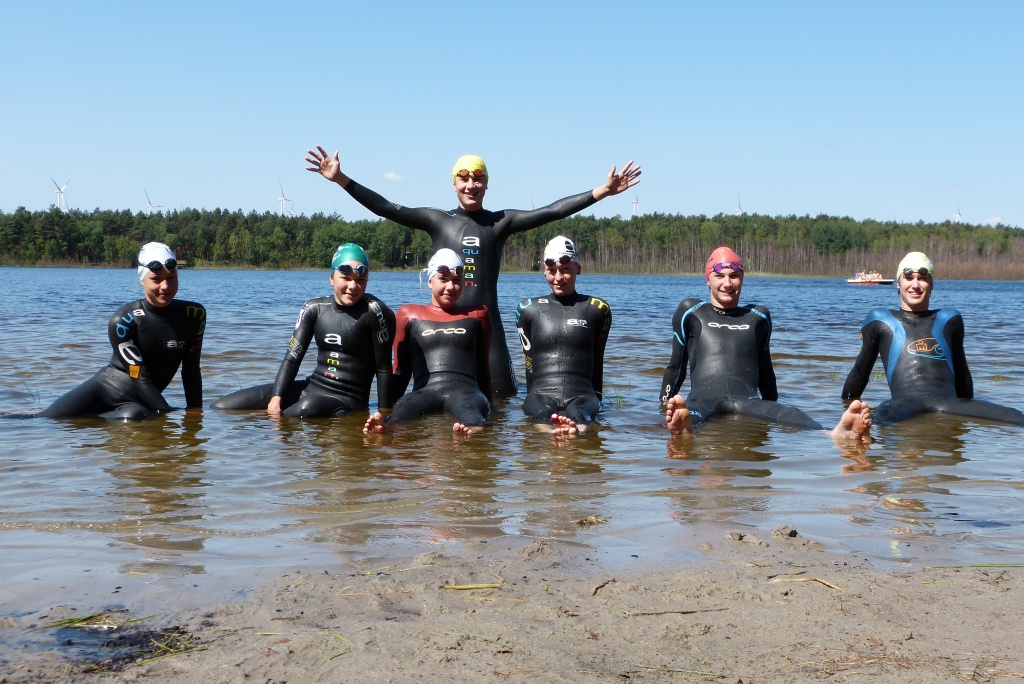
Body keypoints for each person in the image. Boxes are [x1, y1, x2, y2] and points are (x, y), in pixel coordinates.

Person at [306, 145, 640, 397]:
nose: (471, 185)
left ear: (486, 185)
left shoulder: (499, 223)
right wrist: (341, 180)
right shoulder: (437, 219)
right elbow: (387, 207)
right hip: (442, 322)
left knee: (502, 398)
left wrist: (601, 192)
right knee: (423, 395)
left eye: (478, 179)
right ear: (453, 183)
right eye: (464, 178)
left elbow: (550, 212)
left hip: (487, 325)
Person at [661, 246, 871, 440]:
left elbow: (765, 368)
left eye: (734, 276)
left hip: (748, 401)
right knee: (690, 414)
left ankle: (833, 433)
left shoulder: (757, 316)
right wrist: (665, 406)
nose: (727, 283)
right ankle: (685, 429)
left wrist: (772, 403)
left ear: (742, 278)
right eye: (719, 276)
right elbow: (675, 367)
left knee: (789, 413)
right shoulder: (691, 311)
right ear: (708, 279)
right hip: (702, 401)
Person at [211, 243, 396, 418]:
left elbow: (384, 370)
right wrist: (276, 398)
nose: (353, 286)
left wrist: (384, 417)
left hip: (348, 399)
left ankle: (269, 427)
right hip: (312, 388)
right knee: (223, 406)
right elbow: (292, 358)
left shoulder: (377, 313)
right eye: (345, 278)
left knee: (303, 409)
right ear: (332, 278)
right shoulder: (314, 308)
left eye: (360, 280)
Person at [841, 251, 1024, 425]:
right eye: (909, 278)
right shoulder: (879, 319)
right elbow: (859, 373)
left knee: (1017, 417)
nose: (915, 285)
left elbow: (963, 376)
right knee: (875, 423)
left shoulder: (949, 319)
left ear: (932, 284)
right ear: (898, 283)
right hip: (902, 405)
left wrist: (966, 413)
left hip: (949, 403)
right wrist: (847, 407)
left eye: (922, 278)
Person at [40, 242, 205, 420]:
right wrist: (164, 413)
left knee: (134, 415)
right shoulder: (124, 320)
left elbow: (191, 371)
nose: (165, 286)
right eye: (156, 280)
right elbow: (140, 377)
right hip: (103, 391)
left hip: (135, 405)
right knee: (42, 420)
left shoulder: (194, 315)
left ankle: (98, 421)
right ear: (142, 279)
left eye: (171, 278)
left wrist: (196, 413)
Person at [364, 249, 492, 435]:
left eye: (457, 281)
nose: (450, 287)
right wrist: (387, 409)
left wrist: (488, 404)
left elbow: (483, 367)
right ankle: (384, 430)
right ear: (430, 282)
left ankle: (471, 433)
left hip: (467, 394)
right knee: (400, 416)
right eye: (444, 279)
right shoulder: (409, 315)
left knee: (473, 418)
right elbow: (400, 369)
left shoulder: (478, 314)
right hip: (424, 394)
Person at [515, 235, 611, 435]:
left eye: (565, 270)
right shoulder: (527, 309)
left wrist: (597, 398)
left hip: (582, 395)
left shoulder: (597, 309)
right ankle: (556, 434)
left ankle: (573, 431)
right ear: (544, 271)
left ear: (578, 269)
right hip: (541, 393)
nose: (558, 278)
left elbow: (598, 361)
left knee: (581, 416)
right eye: (552, 271)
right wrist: (531, 396)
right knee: (542, 415)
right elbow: (529, 364)